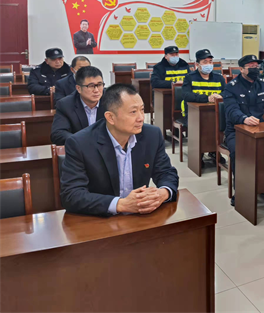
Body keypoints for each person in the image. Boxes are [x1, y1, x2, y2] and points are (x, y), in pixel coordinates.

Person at [60, 84, 179, 216]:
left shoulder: (151, 135)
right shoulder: (80, 143)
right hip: (100, 219)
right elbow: (71, 195)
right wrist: (120, 204)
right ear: (110, 117)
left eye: (142, 110)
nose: (141, 118)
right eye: (133, 112)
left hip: (139, 217)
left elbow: (166, 172)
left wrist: (162, 193)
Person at [222, 54, 264, 206]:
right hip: (236, 131)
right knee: (239, 153)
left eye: (256, 66)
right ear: (241, 69)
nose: (255, 69)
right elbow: (231, 110)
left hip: (259, 128)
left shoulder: (262, 84)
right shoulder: (231, 87)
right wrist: (244, 119)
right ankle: (240, 191)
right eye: (251, 66)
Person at [51, 66, 106, 145]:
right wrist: (84, 142)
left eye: (100, 85)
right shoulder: (65, 105)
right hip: (80, 149)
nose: (96, 90)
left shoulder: (112, 100)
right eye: (91, 86)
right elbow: (58, 134)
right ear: (78, 88)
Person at [181, 49, 226, 124]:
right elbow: (186, 95)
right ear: (197, 64)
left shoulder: (219, 78)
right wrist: (207, 98)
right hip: (194, 114)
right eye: (205, 62)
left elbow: (227, 92)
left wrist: (220, 96)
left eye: (210, 62)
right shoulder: (190, 77)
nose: (208, 64)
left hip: (216, 112)